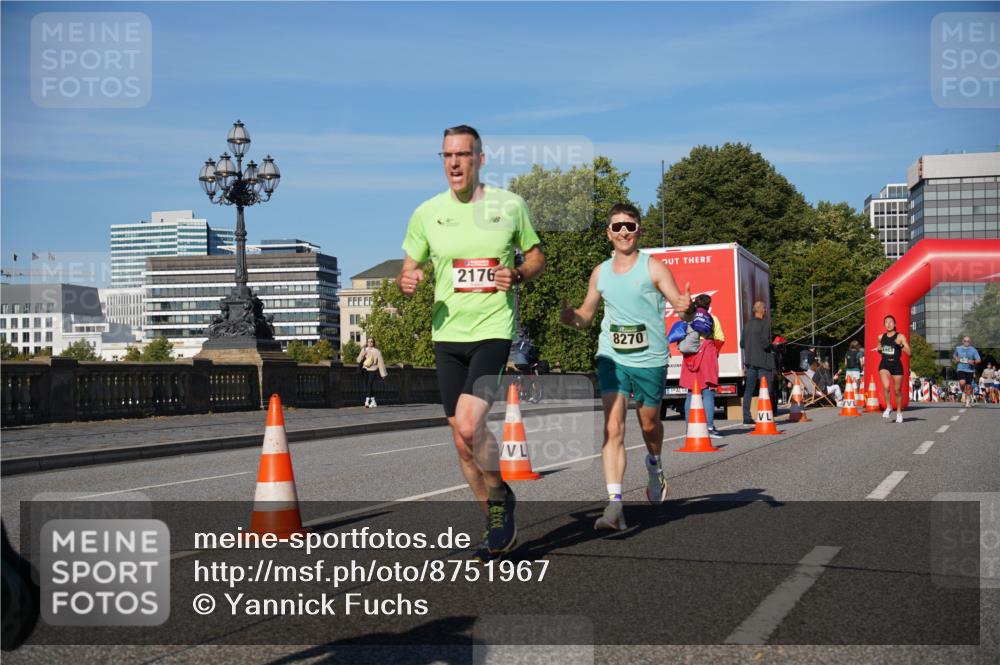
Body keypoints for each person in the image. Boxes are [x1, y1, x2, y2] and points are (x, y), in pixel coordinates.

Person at [398, 125, 545, 559]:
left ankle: (499, 494)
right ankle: (495, 518)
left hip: (492, 331)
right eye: (447, 155)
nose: (454, 163)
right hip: (446, 335)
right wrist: (408, 279)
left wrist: (518, 273)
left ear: (480, 159)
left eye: (462, 154)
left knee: (468, 424)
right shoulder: (427, 213)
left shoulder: (510, 206)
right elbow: (408, 266)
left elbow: (536, 255)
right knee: (462, 442)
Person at [560, 203, 690, 531]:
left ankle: (655, 465)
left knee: (649, 424)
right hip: (612, 357)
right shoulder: (601, 272)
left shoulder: (654, 268)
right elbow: (587, 315)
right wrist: (573, 318)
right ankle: (615, 505)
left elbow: (680, 307)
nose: (623, 232)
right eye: (617, 226)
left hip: (650, 359)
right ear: (608, 233)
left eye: (629, 226)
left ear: (638, 231)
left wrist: (686, 309)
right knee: (613, 427)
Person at [679, 294, 724, 439]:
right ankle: (709, 427)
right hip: (707, 355)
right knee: (708, 392)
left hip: (690, 356)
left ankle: (690, 428)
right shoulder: (713, 319)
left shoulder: (688, 318)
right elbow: (720, 338)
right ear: (708, 305)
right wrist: (714, 352)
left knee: (691, 392)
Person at [741, 301, 775, 425]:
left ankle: (746, 417)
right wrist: (774, 346)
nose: (766, 310)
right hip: (763, 362)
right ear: (760, 310)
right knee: (767, 390)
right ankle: (766, 415)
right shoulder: (765, 323)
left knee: (748, 390)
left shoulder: (747, 325)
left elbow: (742, 344)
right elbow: (765, 343)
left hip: (750, 362)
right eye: (765, 308)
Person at [873, 314, 911, 423]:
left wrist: (901, 345)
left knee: (897, 391)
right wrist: (879, 349)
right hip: (884, 364)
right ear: (884, 325)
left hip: (896, 365)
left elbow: (909, 353)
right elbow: (880, 350)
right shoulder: (880, 337)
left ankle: (899, 412)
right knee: (886, 386)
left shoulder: (900, 337)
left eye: (890, 322)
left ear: (895, 324)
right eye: (886, 322)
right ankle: (889, 407)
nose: (888, 324)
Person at [357, 337, 388, 408]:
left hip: (373, 370)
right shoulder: (364, 349)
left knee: (369, 384)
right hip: (365, 369)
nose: (370, 343)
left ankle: (367, 401)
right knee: (368, 386)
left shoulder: (377, 351)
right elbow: (358, 360)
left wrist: (383, 374)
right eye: (368, 341)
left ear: (373, 343)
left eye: (371, 341)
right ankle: (373, 401)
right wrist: (362, 355)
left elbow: (380, 363)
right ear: (367, 342)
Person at [953, 336, 981, 408]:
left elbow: (979, 360)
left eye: (968, 341)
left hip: (970, 370)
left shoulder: (973, 350)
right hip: (960, 368)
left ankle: (967, 400)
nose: (966, 342)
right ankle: (963, 393)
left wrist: (973, 361)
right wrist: (956, 358)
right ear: (963, 341)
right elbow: (954, 355)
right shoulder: (958, 348)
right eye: (965, 341)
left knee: (968, 386)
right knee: (962, 383)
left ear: (970, 342)